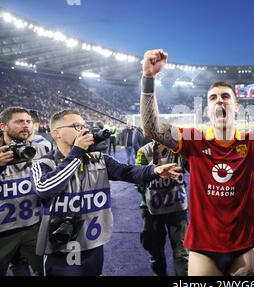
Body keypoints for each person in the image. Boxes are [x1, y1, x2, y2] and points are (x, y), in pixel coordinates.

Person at [140, 49, 254, 276]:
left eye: (225, 96)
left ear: (236, 107)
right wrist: (148, 79)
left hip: (242, 247)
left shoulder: (252, 141)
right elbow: (152, 128)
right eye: (213, 98)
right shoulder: (194, 139)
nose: (219, 100)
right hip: (202, 248)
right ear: (208, 109)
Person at [30, 109, 182, 276]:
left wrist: (154, 171)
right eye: (76, 126)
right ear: (56, 133)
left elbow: (127, 171)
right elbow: (45, 189)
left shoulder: (98, 158)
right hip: (61, 247)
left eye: (83, 125)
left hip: (94, 243)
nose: (84, 130)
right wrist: (77, 152)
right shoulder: (43, 163)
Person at [0, 107, 48, 276]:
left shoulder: (41, 149)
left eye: (28, 121)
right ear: (3, 126)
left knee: (43, 271)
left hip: (31, 227)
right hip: (2, 232)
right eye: (19, 121)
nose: (26, 125)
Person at [135, 140, 189, 276]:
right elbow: (138, 178)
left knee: (182, 252)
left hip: (176, 208)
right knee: (155, 251)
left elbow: (195, 167)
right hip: (153, 209)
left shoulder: (180, 150)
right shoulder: (144, 151)